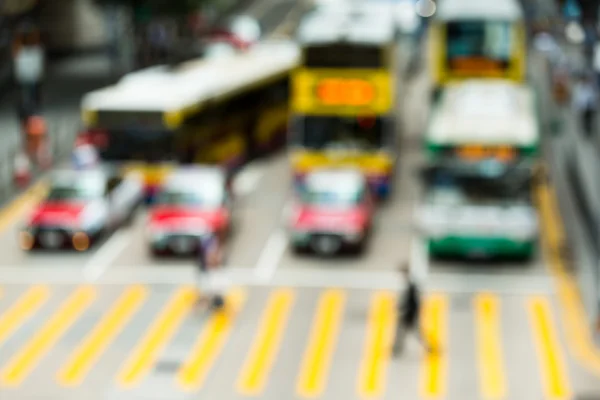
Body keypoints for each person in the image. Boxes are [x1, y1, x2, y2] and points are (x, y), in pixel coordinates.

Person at [392, 262, 433, 356]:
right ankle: (397, 349)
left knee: (405, 332)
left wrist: (404, 310)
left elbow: (413, 302)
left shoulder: (411, 285)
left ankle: (397, 349)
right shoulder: (410, 284)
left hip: (409, 314)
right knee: (403, 332)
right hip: (408, 314)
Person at [195, 233, 225, 310]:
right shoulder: (211, 244)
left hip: (209, 270)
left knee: (211, 287)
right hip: (208, 270)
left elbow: (212, 258)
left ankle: (209, 302)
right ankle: (208, 302)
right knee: (209, 287)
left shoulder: (211, 244)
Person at [571, 73, 598, 138]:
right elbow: (577, 98)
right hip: (583, 108)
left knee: (589, 120)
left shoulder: (590, 86)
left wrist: (594, 105)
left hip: (589, 107)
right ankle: (586, 132)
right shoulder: (578, 87)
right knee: (584, 121)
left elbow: (593, 96)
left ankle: (589, 131)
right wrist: (576, 107)